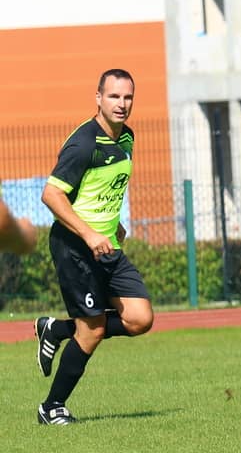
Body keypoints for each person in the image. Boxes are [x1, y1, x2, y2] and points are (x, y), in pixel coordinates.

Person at [35, 68, 154, 425]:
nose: (122, 103)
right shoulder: (84, 143)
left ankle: (58, 330)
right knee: (94, 329)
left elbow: (104, 187)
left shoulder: (127, 137)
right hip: (75, 248)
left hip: (107, 245)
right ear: (98, 98)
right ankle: (51, 407)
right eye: (114, 96)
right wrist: (89, 234)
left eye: (128, 97)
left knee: (140, 318)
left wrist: (112, 224)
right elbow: (51, 194)